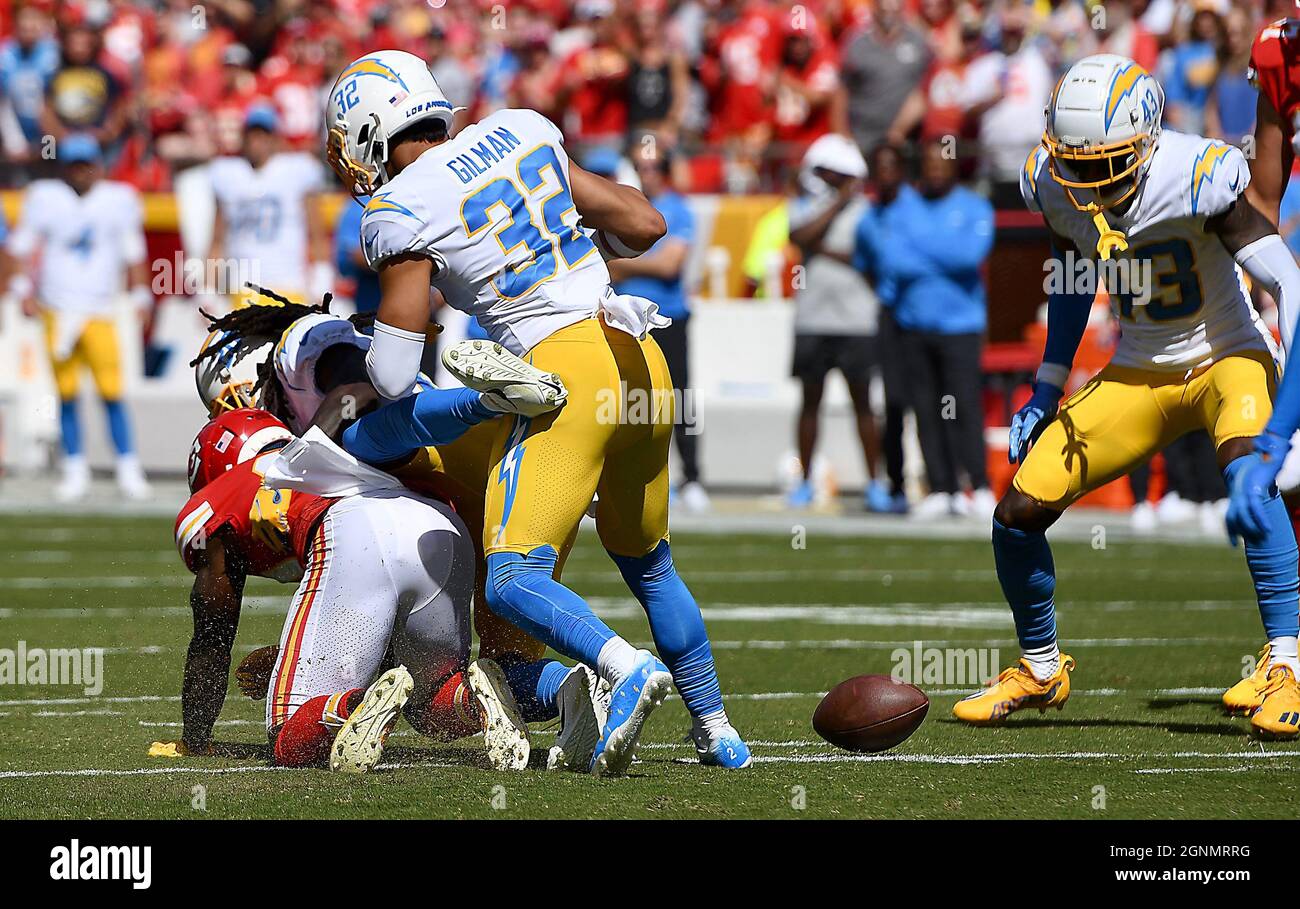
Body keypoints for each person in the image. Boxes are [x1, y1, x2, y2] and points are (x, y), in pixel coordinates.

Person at [325, 49, 749, 774]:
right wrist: (561, 244)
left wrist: (361, 377)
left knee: (512, 576)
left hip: (564, 369)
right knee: (649, 562)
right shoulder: (519, 130)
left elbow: (396, 372)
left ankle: (623, 666)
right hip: (640, 357)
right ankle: (717, 728)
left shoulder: (399, 208)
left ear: (368, 135)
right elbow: (645, 224)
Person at [957, 55, 1300, 740]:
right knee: (1017, 508)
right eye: (1074, 163)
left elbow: (1291, 288)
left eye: (1103, 162)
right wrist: (1045, 387)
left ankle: (1287, 665)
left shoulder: (1195, 174)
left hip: (1223, 353)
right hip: (1138, 367)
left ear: (1145, 141)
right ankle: (1041, 665)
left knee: (1254, 486)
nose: (1084, 180)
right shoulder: (1052, 181)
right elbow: (1073, 274)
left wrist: (1279, 432)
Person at [160, 408, 533, 772]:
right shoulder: (325, 452)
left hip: (357, 529)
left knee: (286, 734)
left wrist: (195, 738)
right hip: (442, 527)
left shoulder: (219, 498)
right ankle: (480, 699)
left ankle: (351, 706)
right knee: (430, 701)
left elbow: (213, 634)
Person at [3, 134, 150, 501]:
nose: (82, 171)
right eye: (74, 164)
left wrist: (141, 294)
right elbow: (21, 246)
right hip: (57, 309)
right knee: (65, 393)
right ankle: (75, 466)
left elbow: (134, 251)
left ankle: (127, 465)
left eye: (87, 163)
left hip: (100, 309)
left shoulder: (118, 200)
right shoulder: (45, 198)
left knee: (112, 391)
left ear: (98, 163)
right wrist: (22, 288)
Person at [860, 138, 994, 519]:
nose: (936, 169)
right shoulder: (904, 207)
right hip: (913, 325)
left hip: (960, 326)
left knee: (965, 406)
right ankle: (941, 486)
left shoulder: (974, 206)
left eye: (943, 162)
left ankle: (978, 484)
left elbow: (970, 255)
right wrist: (942, 256)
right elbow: (892, 260)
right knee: (926, 408)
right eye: (930, 162)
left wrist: (924, 253)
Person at [784, 134, 885, 511]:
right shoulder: (806, 205)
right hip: (813, 318)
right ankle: (805, 480)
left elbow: (872, 258)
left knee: (863, 403)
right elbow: (798, 235)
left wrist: (825, 248)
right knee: (810, 402)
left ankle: (874, 483)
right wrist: (836, 205)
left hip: (856, 320)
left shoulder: (867, 211)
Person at [608, 138, 708, 512]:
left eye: (651, 167)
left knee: (680, 397)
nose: (645, 174)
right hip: (628, 318)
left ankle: (694, 476)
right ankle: (634, 478)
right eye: (640, 167)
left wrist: (625, 263)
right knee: (630, 401)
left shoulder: (677, 209)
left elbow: (669, 266)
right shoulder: (627, 205)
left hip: (668, 316)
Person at [207, 105, 331, 307]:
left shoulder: (297, 170)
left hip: (289, 284)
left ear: (275, 137)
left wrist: (321, 279)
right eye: (252, 135)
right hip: (244, 286)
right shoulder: (227, 174)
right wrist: (207, 290)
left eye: (263, 135)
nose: (257, 142)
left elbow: (316, 233)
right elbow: (217, 239)